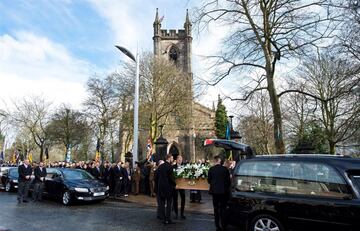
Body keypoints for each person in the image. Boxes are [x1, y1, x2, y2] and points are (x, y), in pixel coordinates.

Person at [208, 155, 231, 231]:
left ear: (215, 161)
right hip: (223, 192)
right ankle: (223, 224)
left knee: (216, 209)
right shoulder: (225, 169)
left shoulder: (211, 169)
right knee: (223, 209)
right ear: (219, 160)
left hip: (214, 192)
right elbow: (228, 182)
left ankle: (217, 225)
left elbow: (209, 180)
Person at [154, 154, 176, 224]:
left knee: (162, 204)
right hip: (168, 188)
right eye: (172, 158)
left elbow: (156, 178)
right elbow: (171, 178)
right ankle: (168, 219)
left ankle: (163, 218)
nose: (172, 159)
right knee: (169, 204)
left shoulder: (160, 167)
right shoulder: (170, 166)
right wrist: (175, 184)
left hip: (161, 188)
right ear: (169, 158)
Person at [172, 155, 186, 219]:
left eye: (181, 159)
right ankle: (176, 214)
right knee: (175, 200)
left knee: (183, 199)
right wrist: (174, 184)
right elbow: (171, 177)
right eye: (179, 159)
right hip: (175, 186)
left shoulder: (184, 167)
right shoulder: (173, 167)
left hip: (182, 186)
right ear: (176, 160)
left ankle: (182, 213)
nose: (180, 161)